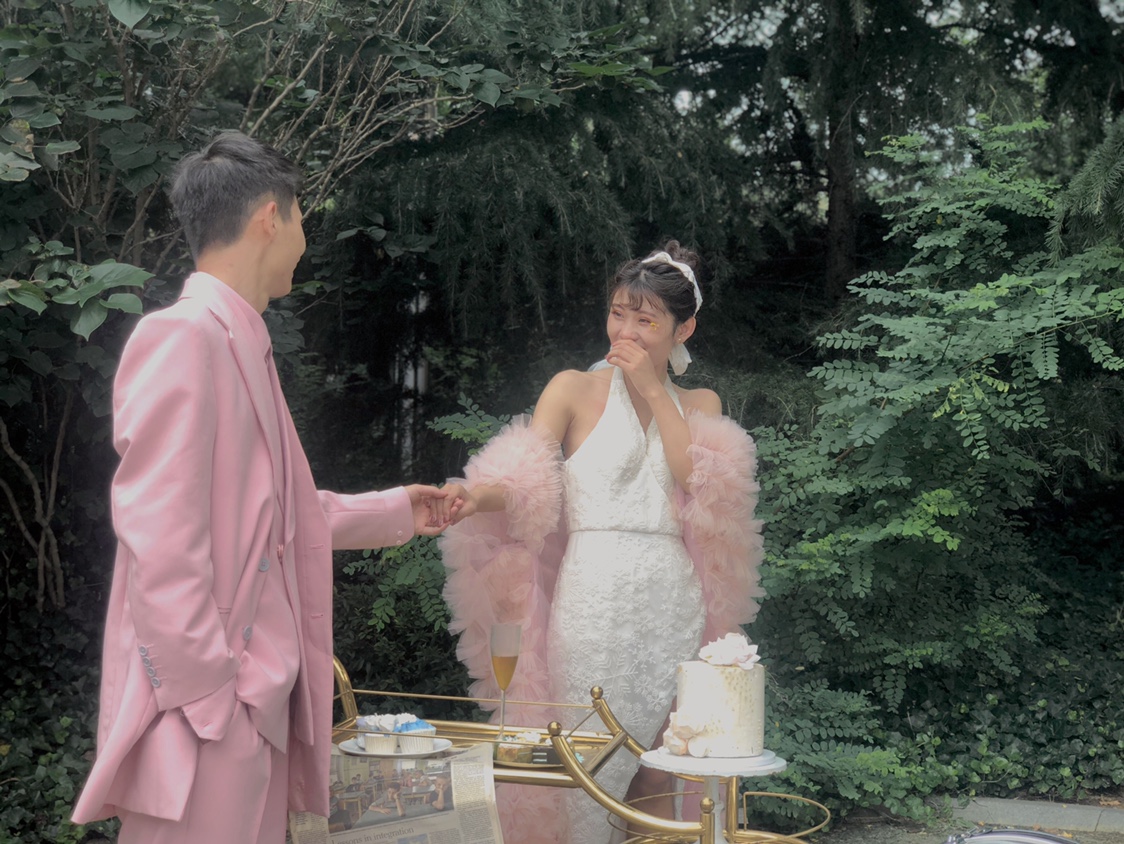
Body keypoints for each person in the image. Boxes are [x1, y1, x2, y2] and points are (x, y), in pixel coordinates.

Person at [71, 131, 451, 844]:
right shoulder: (184, 336)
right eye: (303, 217)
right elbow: (159, 540)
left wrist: (398, 509)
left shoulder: (241, 339)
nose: (305, 241)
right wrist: (213, 698)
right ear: (270, 218)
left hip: (254, 706)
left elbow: (274, 518)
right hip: (209, 719)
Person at [438, 241, 764, 844]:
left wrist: (652, 390)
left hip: (672, 600)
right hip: (592, 593)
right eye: (618, 313)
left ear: (683, 329)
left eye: (646, 320)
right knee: (584, 760)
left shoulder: (699, 404)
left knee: (663, 765)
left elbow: (696, 479)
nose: (627, 331)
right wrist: (474, 497)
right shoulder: (572, 389)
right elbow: (528, 478)